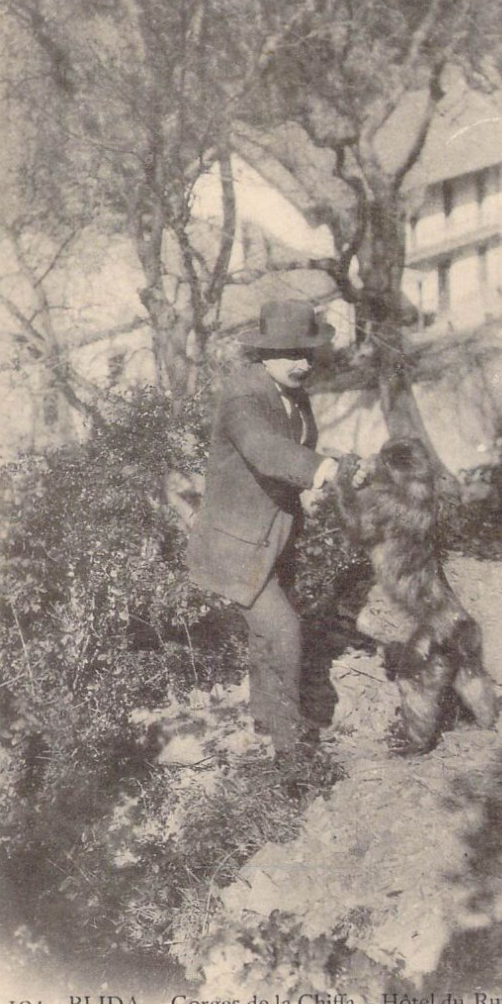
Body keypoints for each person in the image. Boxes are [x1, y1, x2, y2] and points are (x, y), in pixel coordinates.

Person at [186, 299, 344, 756]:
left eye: (309, 353)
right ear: (263, 354)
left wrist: (321, 476)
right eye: (292, 352)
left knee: (267, 635)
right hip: (238, 546)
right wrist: (325, 470)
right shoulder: (243, 396)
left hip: (275, 537)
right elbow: (266, 451)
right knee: (283, 631)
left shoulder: (292, 392)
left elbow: (292, 451)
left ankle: (264, 720)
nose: (303, 363)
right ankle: (290, 756)